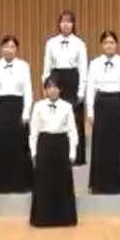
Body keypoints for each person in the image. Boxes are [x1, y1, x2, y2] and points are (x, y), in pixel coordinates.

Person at [0, 35, 35, 193]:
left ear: (16, 49)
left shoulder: (23, 66)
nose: (9, 50)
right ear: (1, 49)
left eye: (12, 47)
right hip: (0, 107)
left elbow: (28, 91)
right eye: (6, 46)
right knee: (0, 146)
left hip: (17, 107)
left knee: (18, 146)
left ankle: (20, 183)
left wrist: (26, 112)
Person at [86, 30, 120, 194]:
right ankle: (100, 184)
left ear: (117, 45)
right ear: (101, 45)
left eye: (112, 42)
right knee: (101, 144)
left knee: (119, 144)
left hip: (117, 104)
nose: (109, 45)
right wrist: (90, 111)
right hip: (101, 104)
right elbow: (90, 88)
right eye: (106, 42)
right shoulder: (94, 63)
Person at [29, 77, 78, 228]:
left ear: (60, 90)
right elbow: (34, 132)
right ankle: (42, 218)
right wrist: (33, 152)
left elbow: (72, 131)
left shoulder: (67, 107)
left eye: (56, 87)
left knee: (62, 182)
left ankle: (63, 218)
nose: (53, 90)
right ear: (45, 90)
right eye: (49, 87)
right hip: (44, 144)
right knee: (44, 182)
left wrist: (72, 152)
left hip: (61, 145)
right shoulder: (38, 106)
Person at [42, 10, 88, 165]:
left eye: (69, 21)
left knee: (75, 118)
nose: (66, 24)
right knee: (56, 116)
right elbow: (47, 67)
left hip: (73, 79)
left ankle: (76, 156)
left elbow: (83, 68)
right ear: (59, 24)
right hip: (56, 78)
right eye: (63, 21)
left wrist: (81, 89)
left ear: (73, 24)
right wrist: (46, 85)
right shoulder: (51, 43)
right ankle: (58, 153)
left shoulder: (79, 43)